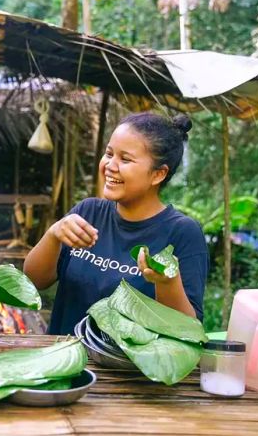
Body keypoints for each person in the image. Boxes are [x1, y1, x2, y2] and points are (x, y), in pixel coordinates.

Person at [23, 112, 208, 335]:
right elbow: (35, 280)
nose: (110, 165)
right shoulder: (87, 212)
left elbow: (188, 329)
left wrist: (167, 283)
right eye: (109, 153)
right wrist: (53, 235)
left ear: (158, 174)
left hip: (128, 370)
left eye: (125, 159)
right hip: (65, 363)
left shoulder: (182, 232)